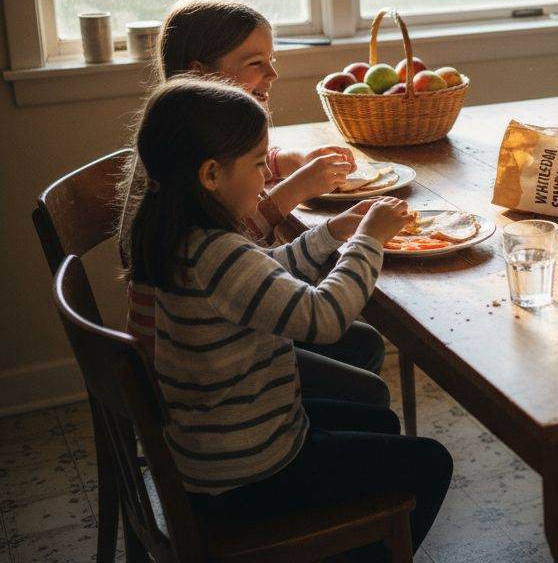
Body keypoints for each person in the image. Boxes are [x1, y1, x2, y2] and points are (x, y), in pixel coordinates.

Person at [125, 77, 451, 559]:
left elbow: (267, 276)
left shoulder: (176, 235)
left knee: (380, 422)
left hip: (215, 453)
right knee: (431, 462)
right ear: (211, 174)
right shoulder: (217, 252)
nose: (264, 178)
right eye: (259, 164)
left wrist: (334, 233)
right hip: (251, 472)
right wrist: (368, 242)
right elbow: (325, 318)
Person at [117, 0, 391, 407]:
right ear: (202, 72)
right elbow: (221, 245)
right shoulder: (199, 235)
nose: (273, 73)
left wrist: (287, 161)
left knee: (363, 343)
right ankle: (295, 436)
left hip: (211, 331)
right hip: (198, 362)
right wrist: (294, 190)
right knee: (364, 380)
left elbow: (229, 168)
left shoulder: (174, 139)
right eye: (256, 63)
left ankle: (313, 429)